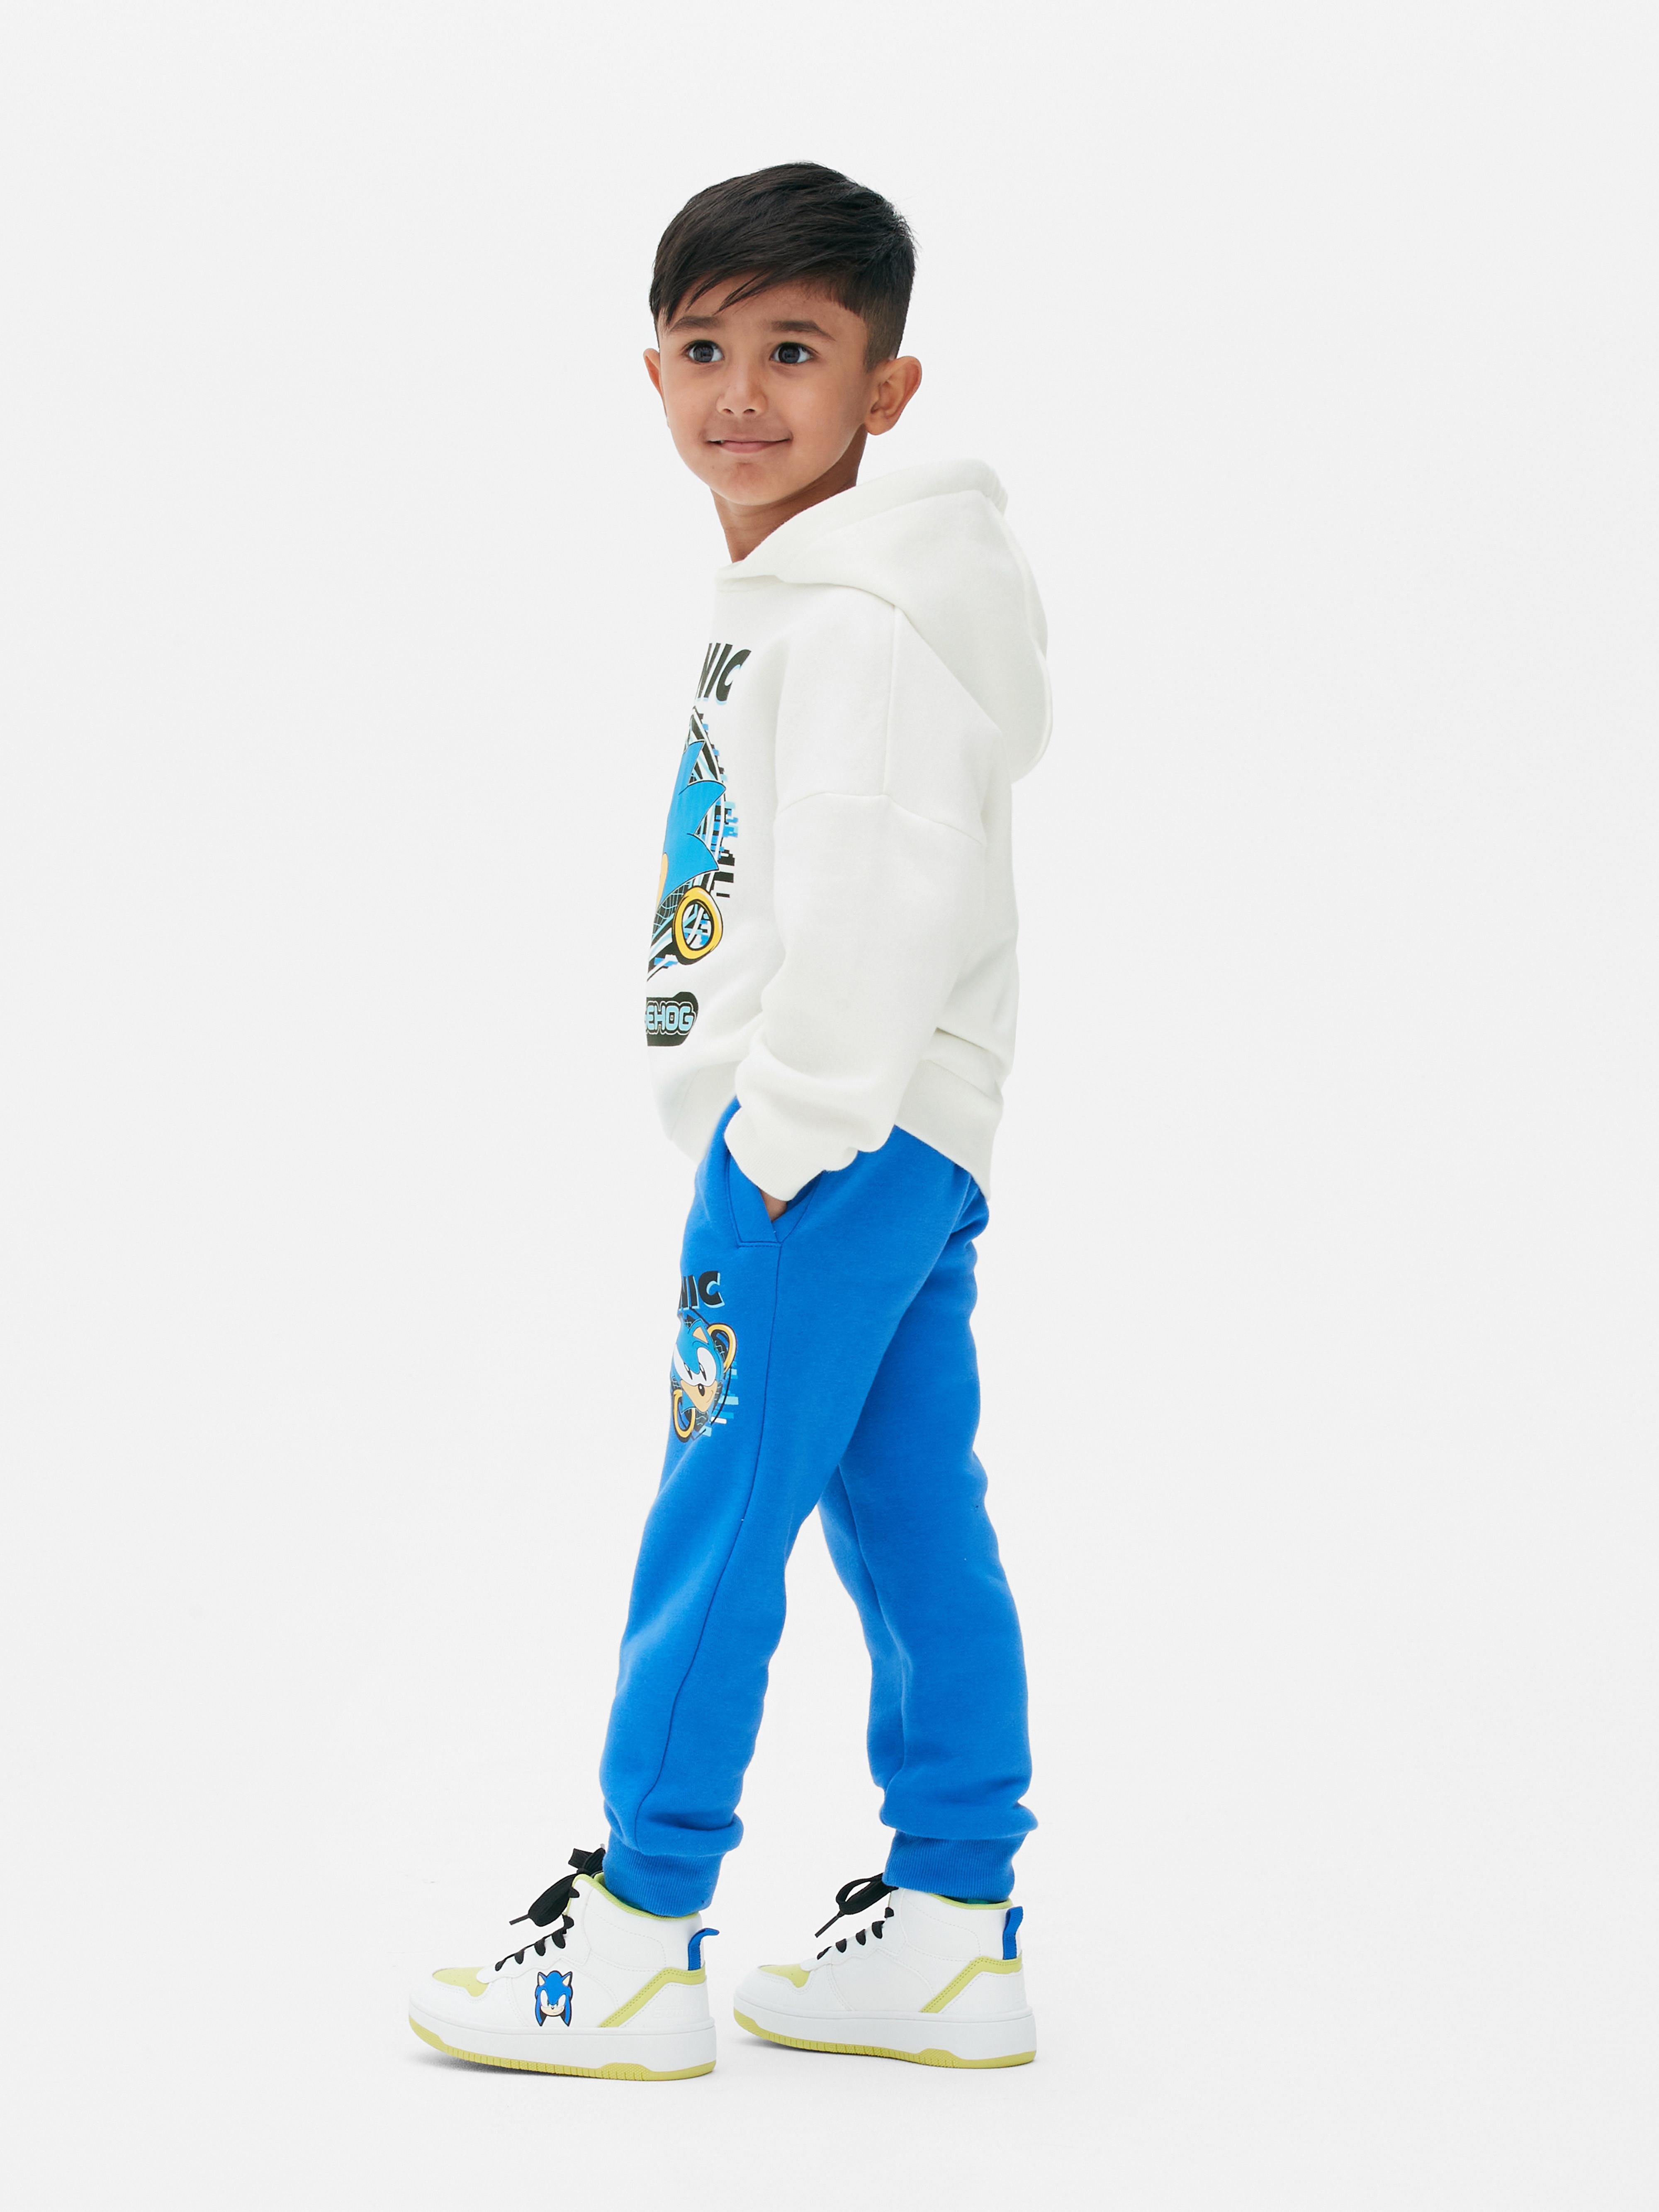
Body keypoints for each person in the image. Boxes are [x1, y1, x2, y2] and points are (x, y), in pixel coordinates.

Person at [410, 163, 1050, 2081]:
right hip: (900, 1138)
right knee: (908, 1508)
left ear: (887, 389)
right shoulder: (823, 595)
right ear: (654, 372)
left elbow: (875, 893)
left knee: (717, 1512)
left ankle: (633, 1931)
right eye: (703, 349)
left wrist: (782, 1135)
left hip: (824, 1149)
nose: (742, 393)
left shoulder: (856, 617)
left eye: (796, 349)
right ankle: (951, 1924)